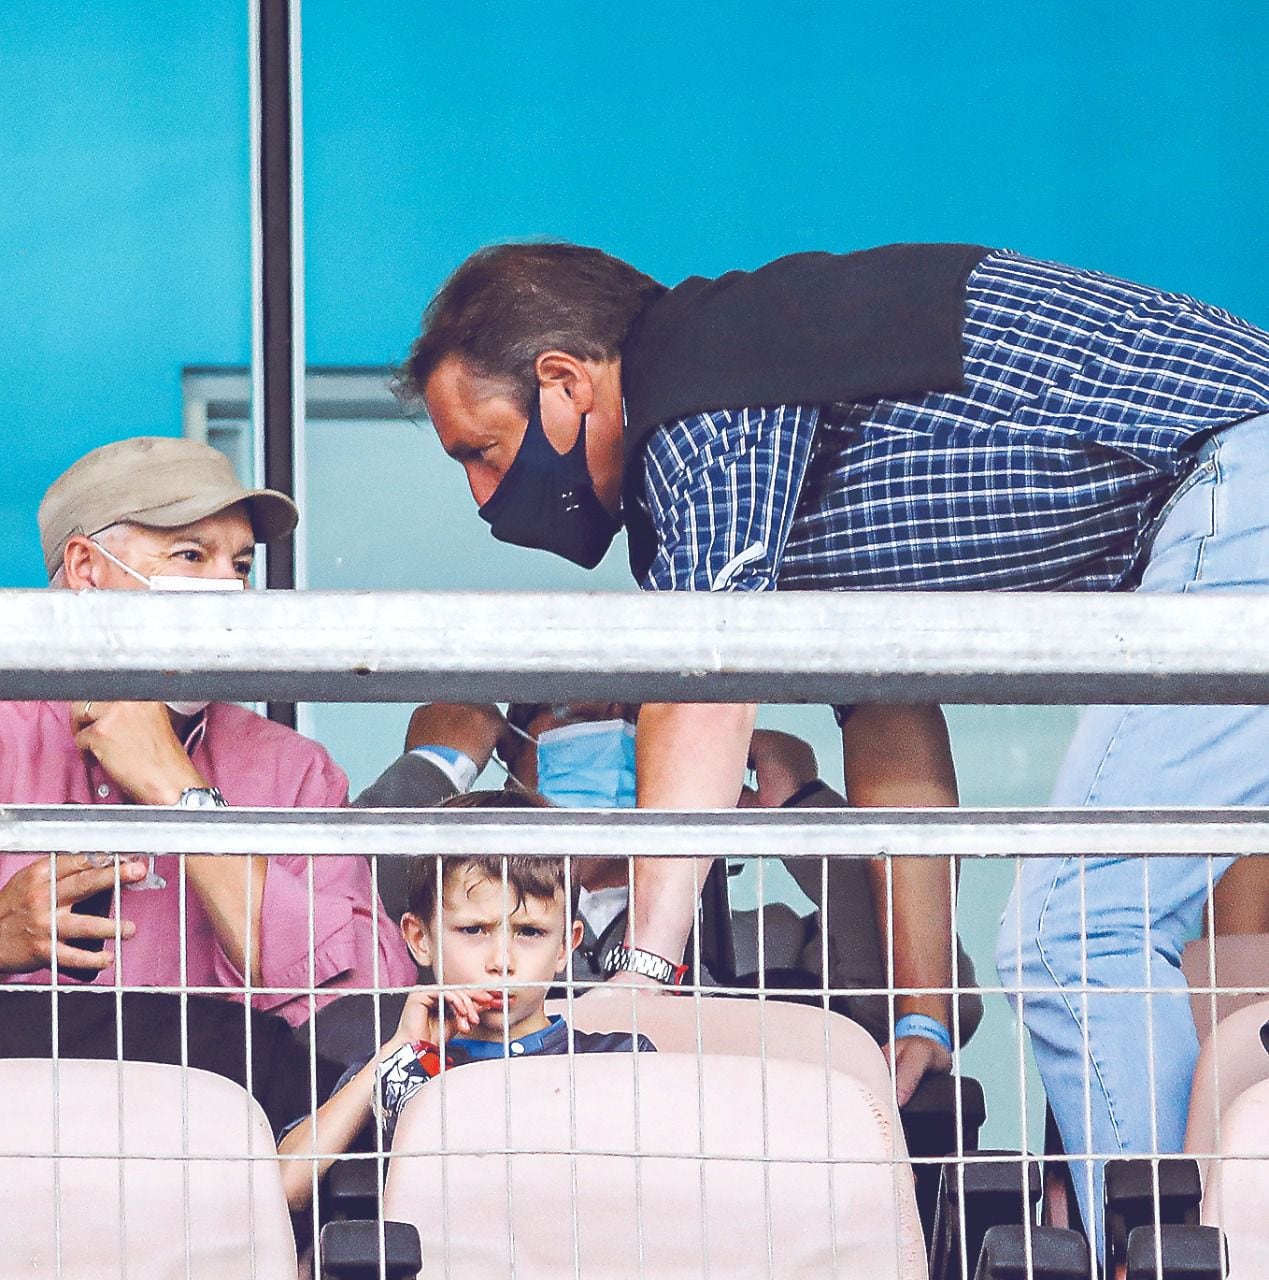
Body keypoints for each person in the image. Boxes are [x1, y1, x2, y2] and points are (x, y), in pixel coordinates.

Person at [398, 239, 1269, 1241]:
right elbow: (890, 714)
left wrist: (642, 968)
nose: (478, 492)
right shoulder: (756, 454)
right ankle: (1161, 1228)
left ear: (565, 381)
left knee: (1076, 929)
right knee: (1081, 926)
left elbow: (710, 668)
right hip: (1218, 499)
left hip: (1243, 469)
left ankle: (1161, 1247)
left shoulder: (699, 371)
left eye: (481, 448)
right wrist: (923, 1016)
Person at [0, 435, 415, 1025]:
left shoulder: (293, 770)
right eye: (191, 555)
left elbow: (370, 1003)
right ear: (86, 569)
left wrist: (180, 790)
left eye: (241, 565)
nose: (230, 590)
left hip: (224, 1108)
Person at [278, 789, 654, 1213]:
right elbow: (284, 1189)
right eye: (474, 930)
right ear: (420, 939)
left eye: (529, 932)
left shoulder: (618, 1061)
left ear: (566, 944)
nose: (501, 961)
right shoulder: (400, 1072)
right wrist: (397, 1052)